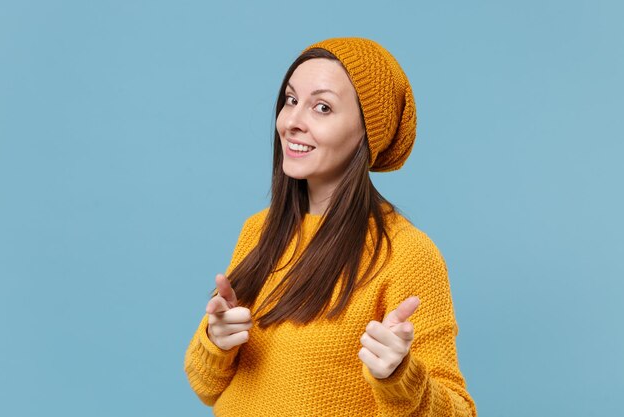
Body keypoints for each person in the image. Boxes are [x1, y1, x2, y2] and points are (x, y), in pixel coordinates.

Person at [184, 37, 477, 416]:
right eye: (291, 100)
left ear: (367, 131)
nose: (292, 122)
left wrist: (400, 377)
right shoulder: (258, 231)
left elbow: (459, 412)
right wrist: (215, 342)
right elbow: (206, 387)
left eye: (322, 107)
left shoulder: (407, 255)